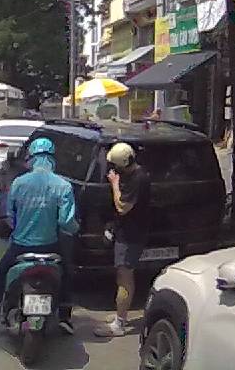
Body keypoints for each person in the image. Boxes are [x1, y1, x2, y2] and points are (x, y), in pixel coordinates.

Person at [0, 137, 78, 336]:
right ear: (52, 158)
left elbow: (10, 215)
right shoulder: (63, 185)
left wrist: (20, 227)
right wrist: (76, 229)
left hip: (20, 247)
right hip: (51, 246)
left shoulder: (19, 183)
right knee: (68, 273)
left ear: (30, 158)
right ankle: (65, 318)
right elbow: (66, 222)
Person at [95, 141, 151, 338]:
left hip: (131, 236)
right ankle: (121, 314)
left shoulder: (138, 179)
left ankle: (119, 323)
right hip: (125, 233)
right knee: (122, 275)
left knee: (125, 278)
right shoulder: (134, 175)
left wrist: (114, 183)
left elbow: (122, 207)